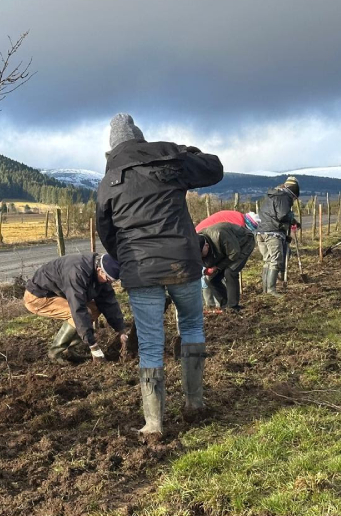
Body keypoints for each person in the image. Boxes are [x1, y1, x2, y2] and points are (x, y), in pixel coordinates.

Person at [96, 113, 223, 437]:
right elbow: (213, 169)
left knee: (151, 344)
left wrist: (126, 257)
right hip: (182, 261)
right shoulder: (167, 161)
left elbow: (107, 235)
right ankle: (194, 403)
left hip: (140, 269)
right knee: (192, 325)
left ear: (112, 148)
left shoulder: (108, 183)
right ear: (140, 139)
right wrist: (184, 151)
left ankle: (154, 423)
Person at [23, 253, 127, 364]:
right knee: (81, 313)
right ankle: (55, 352)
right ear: (99, 269)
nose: (108, 283)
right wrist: (93, 346)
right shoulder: (77, 273)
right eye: (107, 279)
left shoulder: (102, 274)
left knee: (95, 309)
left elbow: (108, 302)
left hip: (58, 293)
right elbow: (78, 309)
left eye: (111, 281)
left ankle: (69, 350)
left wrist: (121, 330)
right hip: (38, 297)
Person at [255, 177, 299, 296]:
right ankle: (271, 290)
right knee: (275, 261)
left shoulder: (273, 195)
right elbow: (282, 215)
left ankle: (265, 290)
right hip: (272, 233)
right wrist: (291, 217)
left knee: (267, 260)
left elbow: (274, 214)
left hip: (261, 232)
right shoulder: (285, 197)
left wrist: (291, 221)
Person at [198, 222, 255, 310]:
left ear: (206, 245)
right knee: (210, 279)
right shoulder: (197, 242)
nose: (202, 257)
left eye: (202, 254)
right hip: (226, 249)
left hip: (243, 243)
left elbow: (234, 254)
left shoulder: (219, 234)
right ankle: (224, 305)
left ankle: (233, 306)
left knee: (230, 272)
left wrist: (217, 267)